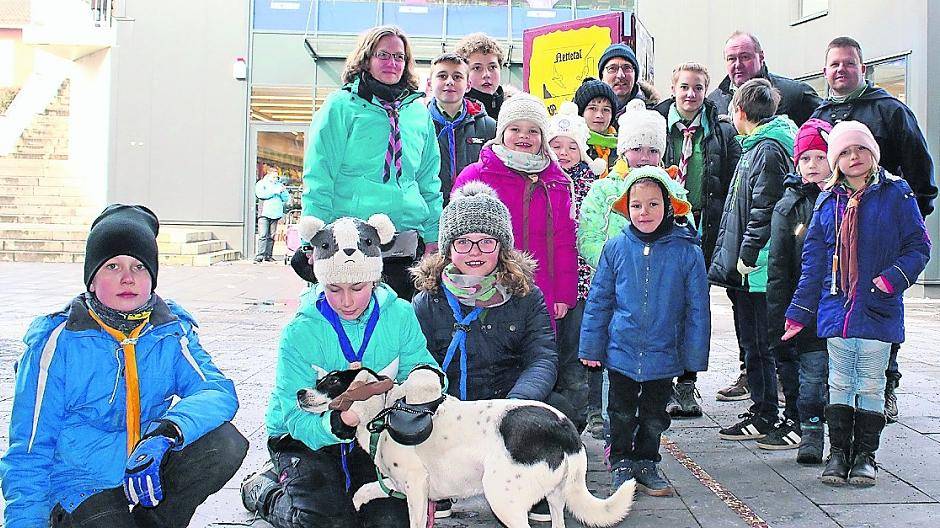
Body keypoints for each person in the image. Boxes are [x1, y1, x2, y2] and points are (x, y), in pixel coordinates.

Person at [0, 204, 247, 528]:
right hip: (81, 488)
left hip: (143, 476)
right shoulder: (57, 343)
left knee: (224, 443)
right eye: (113, 266)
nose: (128, 278)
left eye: (140, 267)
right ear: (91, 280)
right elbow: (28, 450)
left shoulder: (169, 330)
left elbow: (217, 391)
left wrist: (166, 432)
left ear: (153, 279)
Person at [241, 213, 442, 527]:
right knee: (325, 521)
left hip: (372, 432)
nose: (347, 301)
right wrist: (343, 419)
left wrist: (424, 381)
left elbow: (421, 365)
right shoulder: (301, 332)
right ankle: (263, 490)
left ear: (374, 278)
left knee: (388, 522)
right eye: (334, 289)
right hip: (301, 436)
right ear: (320, 280)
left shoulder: (400, 315)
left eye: (358, 287)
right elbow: (294, 415)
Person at [782, 121, 931, 486]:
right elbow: (814, 261)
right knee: (840, 381)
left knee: (869, 382)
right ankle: (839, 453)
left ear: (873, 153)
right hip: (837, 307)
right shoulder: (828, 199)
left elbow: (918, 245)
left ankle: (865, 456)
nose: (853, 157)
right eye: (845, 152)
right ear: (837, 160)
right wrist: (800, 312)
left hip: (878, 306)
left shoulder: (897, 193)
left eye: (860, 149)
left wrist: (891, 279)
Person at [411, 183, 568, 522]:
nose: (474, 250)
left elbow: (542, 356)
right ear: (447, 249)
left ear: (502, 246)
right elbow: (418, 361)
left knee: (562, 407)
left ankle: (533, 481)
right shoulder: (428, 300)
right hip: (450, 410)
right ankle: (442, 483)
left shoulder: (526, 296)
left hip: (506, 400)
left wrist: (518, 405)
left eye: (487, 241)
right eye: (463, 242)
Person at [811, 36, 938, 422]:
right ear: (825, 71)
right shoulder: (821, 114)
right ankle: (841, 397)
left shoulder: (890, 111)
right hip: (836, 239)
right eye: (834, 64)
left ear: (862, 68)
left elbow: (919, 169)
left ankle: (886, 387)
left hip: (883, 237)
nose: (841, 70)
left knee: (882, 317)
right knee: (842, 320)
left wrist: (907, 220)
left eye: (849, 63)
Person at [580, 166, 710, 497]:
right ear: (626, 209)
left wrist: (692, 358)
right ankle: (621, 462)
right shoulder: (616, 248)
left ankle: (647, 462)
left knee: (654, 416)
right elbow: (599, 301)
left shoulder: (687, 251)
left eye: (653, 204)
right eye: (637, 205)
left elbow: (697, 309)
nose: (644, 212)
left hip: (665, 352)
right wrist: (591, 347)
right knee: (620, 412)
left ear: (668, 206)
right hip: (621, 351)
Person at [302, 25, 443, 300]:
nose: (392, 63)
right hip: (350, 240)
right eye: (383, 55)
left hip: (406, 241)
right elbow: (319, 173)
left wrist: (433, 235)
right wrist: (315, 238)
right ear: (366, 58)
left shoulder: (418, 112)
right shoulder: (341, 106)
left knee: (403, 328)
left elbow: (429, 179)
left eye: (399, 57)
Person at [710, 78, 797, 442]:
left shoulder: (768, 150)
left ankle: (788, 417)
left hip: (759, 270)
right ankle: (763, 411)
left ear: (740, 112)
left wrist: (746, 255)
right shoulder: (756, 147)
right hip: (750, 270)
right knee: (754, 344)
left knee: (767, 345)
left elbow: (764, 209)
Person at [654, 62, 741, 417]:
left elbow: (732, 181)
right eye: (685, 87)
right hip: (662, 234)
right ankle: (660, 381)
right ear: (673, 88)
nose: (691, 94)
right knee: (661, 306)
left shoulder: (720, 132)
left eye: (698, 88)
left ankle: (688, 383)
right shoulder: (655, 124)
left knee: (693, 309)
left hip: (701, 235)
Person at [452, 93, 578, 331]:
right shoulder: (476, 175)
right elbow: (455, 239)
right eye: (515, 129)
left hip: (541, 289)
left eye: (533, 131)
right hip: (489, 287)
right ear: (501, 133)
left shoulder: (557, 181)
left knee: (538, 355)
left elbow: (564, 240)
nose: (524, 136)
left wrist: (563, 292)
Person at [762, 118, 833, 458]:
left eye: (821, 157)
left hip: (840, 310)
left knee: (840, 381)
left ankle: (844, 440)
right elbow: (778, 268)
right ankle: (810, 435)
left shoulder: (845, 200)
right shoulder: (787, 207)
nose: (814, 165)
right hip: (804, 311)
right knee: (810, 379)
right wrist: (778, 316)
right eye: (806, 159)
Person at [546, 102, 607, 438]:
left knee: (577, 356)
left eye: (572, 147)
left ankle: (580, 419)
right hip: (548, 284)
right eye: (556, 145)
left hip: (584, 286)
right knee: (548, 355)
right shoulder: (542, 181)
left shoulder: (592, 186)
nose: (564, 153)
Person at [708, 31, 821, 126]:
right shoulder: (714, 101)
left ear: (761, 57)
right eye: (731, 59)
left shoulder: (795, 94)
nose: (738, 64)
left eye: (745, 57)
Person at [427, 52, 497, 201]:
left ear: (468, 85)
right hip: (429, 210)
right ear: (429, 83)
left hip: (474, 212)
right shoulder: (418, 124)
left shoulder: (489, 127)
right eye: (442, 76)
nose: (450, 82)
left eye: (457, 77)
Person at [598, 43, 661, 118]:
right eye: (612, 68)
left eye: (627, 68)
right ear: (602, 76)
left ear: (635, 75)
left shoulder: (655, 113)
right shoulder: (588, 114)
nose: (620, 75)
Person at [573, 77, 620, 175]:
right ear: (580, 113)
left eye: (606, 109)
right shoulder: (571, 145)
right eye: (592, 108)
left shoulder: (622, 146)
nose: (599, 115)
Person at [455, 32, 507, 119]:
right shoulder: (454, 113)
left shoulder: (516, 110)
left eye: (492, 67)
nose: (486, 75)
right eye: (477, 68)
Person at [255, 167, 291, 263]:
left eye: (277, 176)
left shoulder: (279, 185)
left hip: (275, 214)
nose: (276, 178)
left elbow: (286, 198)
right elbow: (260, 194)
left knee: (272, 235)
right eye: (274, 176)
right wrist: (274, 192)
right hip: (264, 213)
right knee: (263, 234)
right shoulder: (262, 184)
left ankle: (268, 255)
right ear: (269, 175)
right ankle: (260, 255)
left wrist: (283, 191)